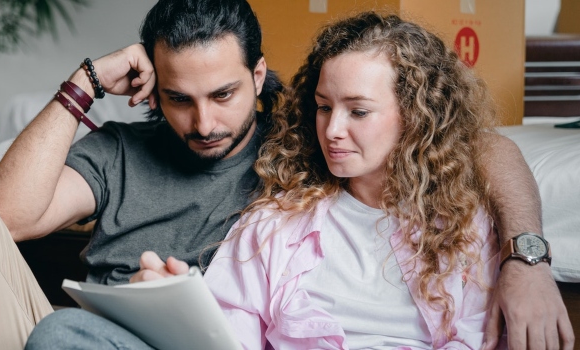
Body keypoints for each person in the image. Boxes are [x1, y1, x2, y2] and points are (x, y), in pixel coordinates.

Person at [0, 0, 570, 349]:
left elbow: (478, 145)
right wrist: (85, 81)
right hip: (86, 338)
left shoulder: (308, 135)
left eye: (223, 95)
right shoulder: (125, 151)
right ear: (152, 88)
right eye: (179, 98)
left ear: (259, 76)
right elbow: (1, 219)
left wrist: (527, 254)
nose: (204, 123)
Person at [203, 11, 504, 348]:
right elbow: (224, 334)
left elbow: (481, 337)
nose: (332, 131)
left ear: (416, 116)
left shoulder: (465, 228)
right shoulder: (271, 226)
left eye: (358, 111)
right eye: (324, 107)